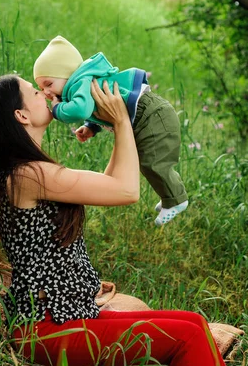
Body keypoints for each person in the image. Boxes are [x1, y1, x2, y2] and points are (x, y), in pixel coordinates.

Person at [0, 74, 240, 366]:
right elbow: (127, 191)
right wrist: (122, 119)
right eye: (35, 91)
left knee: (194, 324)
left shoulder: (29, 171)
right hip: (49, 331)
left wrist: (113, 125)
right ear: (21, 115)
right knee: (190, 338)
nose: (46, 94)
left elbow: (112, 184)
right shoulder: (28, 175)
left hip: (71, 317)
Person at [33, 35, 188, 227]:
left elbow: (80, 109)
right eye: (41, 88)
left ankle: (176, 199)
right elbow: (97, 106)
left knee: (152, 161)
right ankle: (169, 196)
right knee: (147, 160)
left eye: (49, 84)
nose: (46, 92)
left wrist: (57, 110)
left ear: (68, 74)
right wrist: (91, 127)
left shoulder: (78, 82)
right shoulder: (83, 83)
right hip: (148, 116)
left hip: (151, 115)